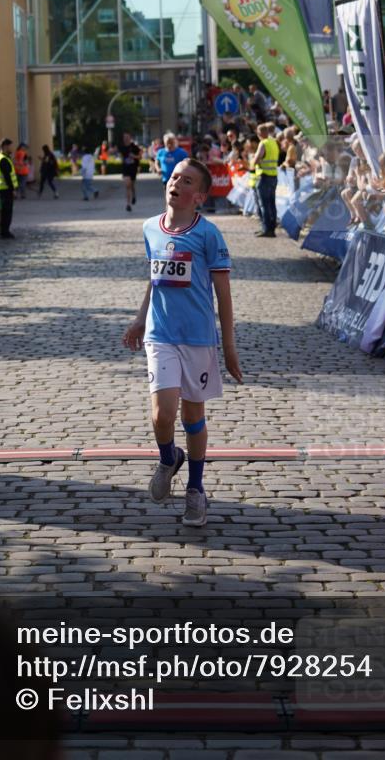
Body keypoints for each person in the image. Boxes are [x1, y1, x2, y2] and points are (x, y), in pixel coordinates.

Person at [122, 158, 243, 527]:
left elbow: (223, 294)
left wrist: (229, 347)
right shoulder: (149, 228)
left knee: (192, 416)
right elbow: (154, 277)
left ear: (199, 196)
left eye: (186, 180)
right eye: (174, 176)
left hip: (198, 339)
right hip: (161, 336)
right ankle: (166, 457)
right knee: (161, 413)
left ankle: (195, 489)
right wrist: (141, 317)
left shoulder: (209, 235)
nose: (176, 183)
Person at [251, 122, 280, 237]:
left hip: (264, 176)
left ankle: (266, 228)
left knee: (264, 205)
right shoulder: (273, 142)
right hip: (273, 176)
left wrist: (253, 160)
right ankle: (271, 228)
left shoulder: (263, 143)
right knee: (271, 204)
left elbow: (257, 159)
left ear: (260, 133)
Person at [0, 137, 18, 239]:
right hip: (5, 190)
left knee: (2, 211)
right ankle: (4, 231)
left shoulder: (1, 157)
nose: (11, 148)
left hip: (2, 189)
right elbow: (7, 176)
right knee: (6, 211)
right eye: (9, 146)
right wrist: (12, 189)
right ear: (4, 147)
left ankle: (2, 230)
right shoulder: (3, 159)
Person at [120, 131, 142, 211]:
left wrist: (134, 156)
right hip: (125, 169)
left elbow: (140, 156)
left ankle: (134, 195)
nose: (126, 139)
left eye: (127, 137)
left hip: (133, 168)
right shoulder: (122, 147)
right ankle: (128, 204)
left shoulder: (134, 147)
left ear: (130, 138)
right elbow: (120, 155)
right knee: (127, 185)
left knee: (132, 185)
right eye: (124, 137)